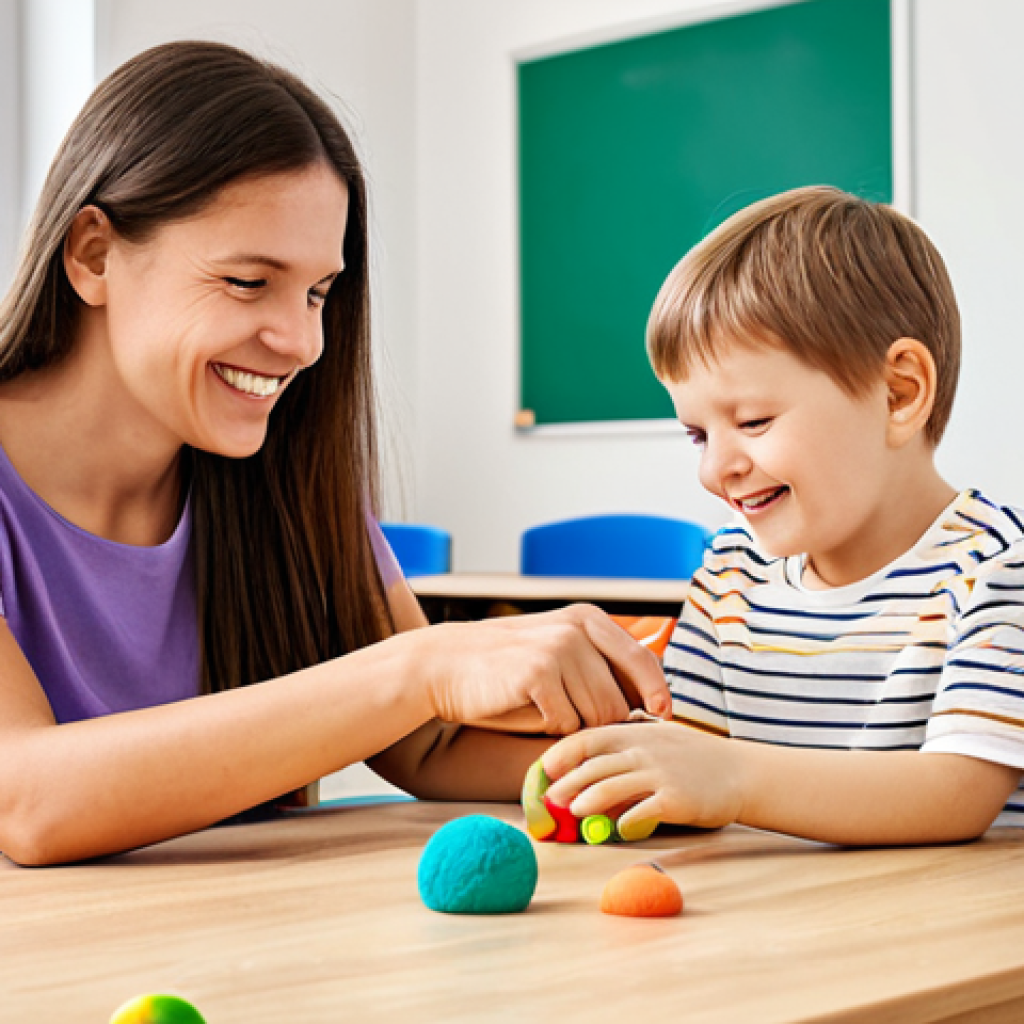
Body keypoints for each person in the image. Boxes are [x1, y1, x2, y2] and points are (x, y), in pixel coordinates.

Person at [0, 40, 670, 867]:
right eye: (248, 283)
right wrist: (422, 665)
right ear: (93, 255)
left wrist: (673, 762)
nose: (303, 341)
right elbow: (26, 799)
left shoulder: (283, 476)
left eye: (319, 292)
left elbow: (427, 745)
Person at [542, 185, 1024, 846]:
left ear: (898, 393)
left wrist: (733, 778)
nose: (716, 470)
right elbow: (688, 759)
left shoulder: (998, 568)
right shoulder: (729, 573)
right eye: (698, 436)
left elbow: (955, 795)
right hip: (773, 924)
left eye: (753, 421)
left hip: (941, 933)